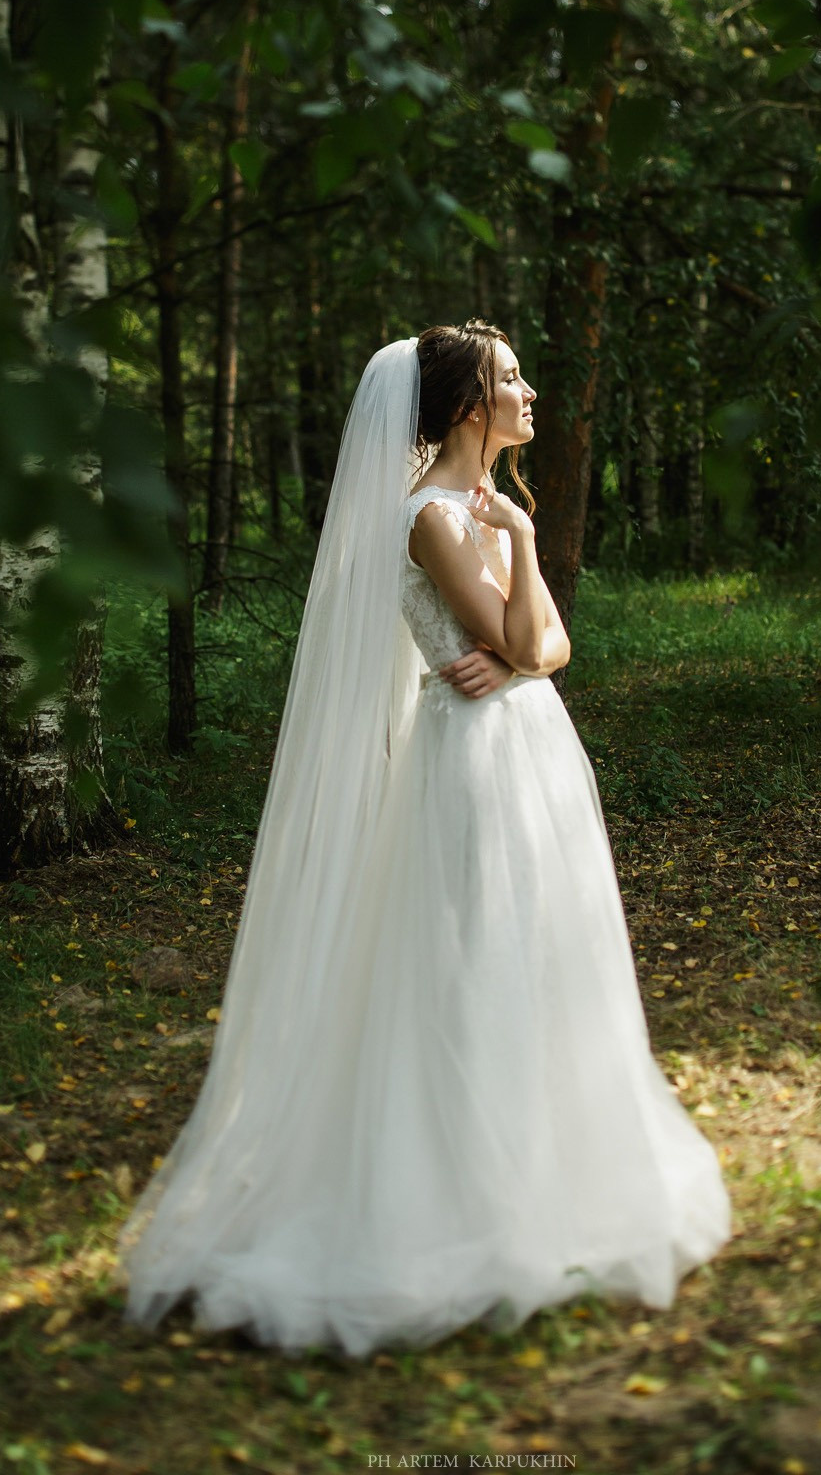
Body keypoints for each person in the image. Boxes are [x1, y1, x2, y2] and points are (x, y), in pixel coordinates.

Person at [115, 319, 730, 1359]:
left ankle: (552, 1178)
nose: (529, 394)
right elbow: (534, 638)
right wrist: (526, 578)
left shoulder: (483, 507)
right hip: (476, 766)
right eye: (509, 381)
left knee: (543, 958)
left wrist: (525, 639)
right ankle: (463, 1203)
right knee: (474, 963)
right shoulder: (437, 519)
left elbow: (548, 651)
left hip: (528, 748)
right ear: (463, 409)